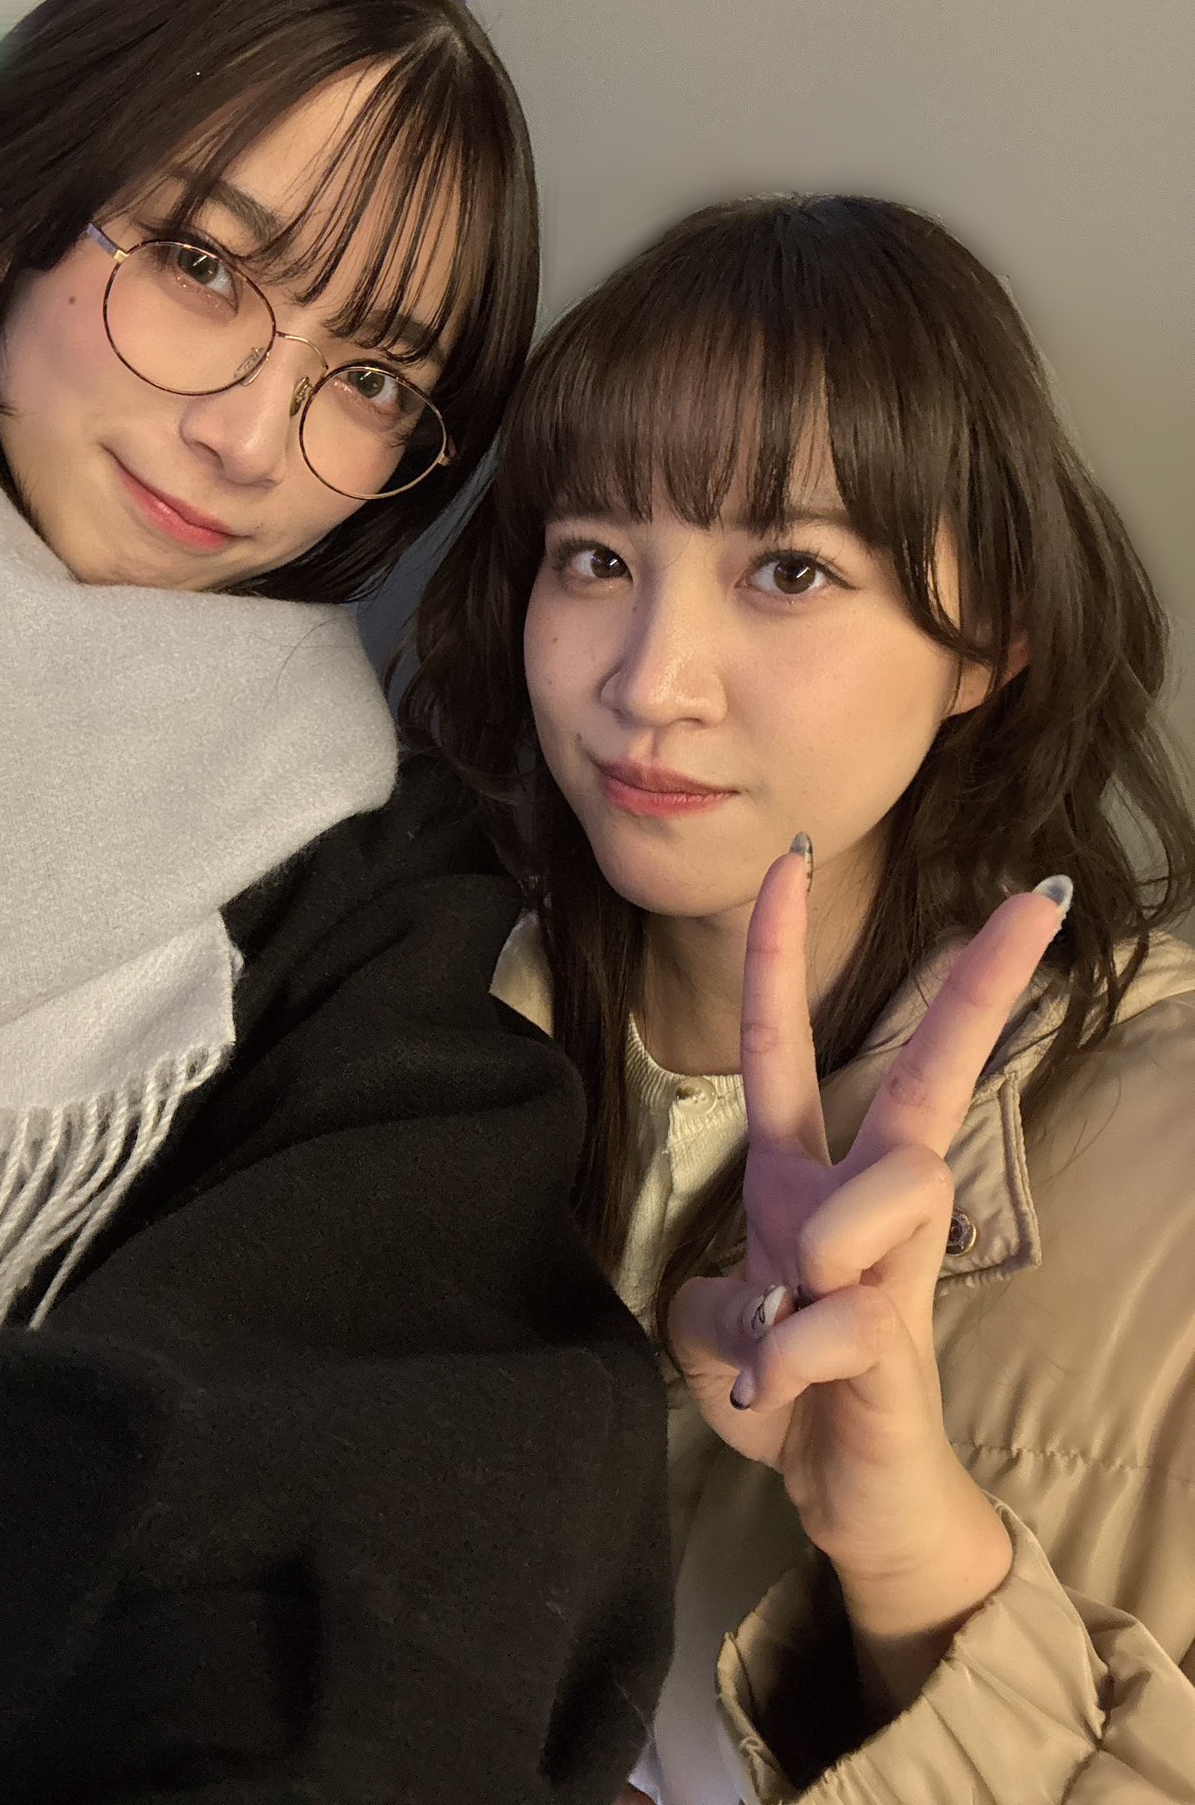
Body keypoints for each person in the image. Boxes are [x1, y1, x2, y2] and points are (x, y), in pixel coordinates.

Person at [0, 0, 671, 1804]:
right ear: (27, 208)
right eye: (205, 265)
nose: (250, 437)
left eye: (371, 381)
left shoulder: (351, 884)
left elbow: (414, 1422)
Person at [406, 194, 1195, 1799]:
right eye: (597, 557)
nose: (648, 680)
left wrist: (916, 1571)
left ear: (990, 643)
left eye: (787, 568)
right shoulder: (398, 1021)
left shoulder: (1169, 1183)